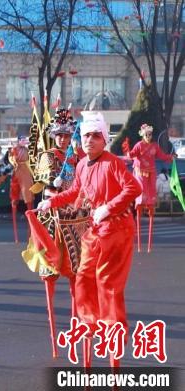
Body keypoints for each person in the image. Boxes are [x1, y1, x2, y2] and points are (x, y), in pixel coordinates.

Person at [38, 111, 141, 368]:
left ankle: (112, 328)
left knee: (107, 281)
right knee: (83, 274)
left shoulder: (113, 162)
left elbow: (134, 188)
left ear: (104, 140)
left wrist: (109, 207)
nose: (89, 140)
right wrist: (51, 200)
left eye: (96, 136)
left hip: (117, 229)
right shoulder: (82, 164)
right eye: (86, 136)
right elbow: (75, 192)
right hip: (97, 228)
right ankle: (91, 322)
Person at [31, 108, 91, 357]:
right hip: (53, 218)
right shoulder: (48, 156)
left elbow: (82, 187)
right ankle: (54, 335)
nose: (64, 139)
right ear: (54, 136)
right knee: (51, 271)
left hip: (75, 218)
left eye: (67, 135)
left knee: (79, 274)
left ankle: (79, 326)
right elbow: (45, 185)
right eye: (60, 136)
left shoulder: (77, 157)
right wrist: (54, 184)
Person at [128, 124, 175, 251]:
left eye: (150, 134)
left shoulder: (154, 146)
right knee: (141, 196)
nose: (149, 136)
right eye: (147, 134)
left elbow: (162, 156)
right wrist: (128, 151)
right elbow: (131, 155)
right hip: (141, 174)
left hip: (151, 174)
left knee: (151, 199)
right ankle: (139, 205)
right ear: (143, 135)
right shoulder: (139, 145)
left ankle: (149, 206)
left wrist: (171, 158)